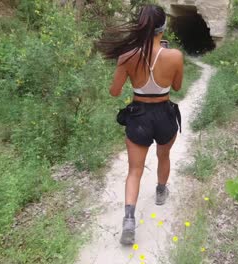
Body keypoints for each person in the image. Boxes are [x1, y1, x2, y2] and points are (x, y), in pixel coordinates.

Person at [97, 4, 184, 245]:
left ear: (141, 26)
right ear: (163, 28)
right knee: (163, 156)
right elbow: (177, 87)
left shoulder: (127, 56)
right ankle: (160, 191)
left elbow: (114, 92)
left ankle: (128, 220)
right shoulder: (175, 56)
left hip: (138, 116)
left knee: (134, 170)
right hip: (165, 114)